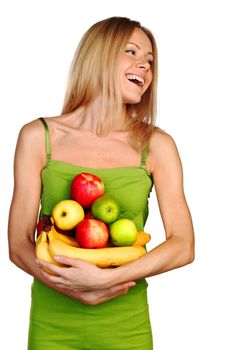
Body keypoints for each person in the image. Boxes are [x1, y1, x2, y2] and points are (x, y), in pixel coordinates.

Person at [8, 16, 195, 350]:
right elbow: (18, 244)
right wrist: (71, 287)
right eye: (132, 52)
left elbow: (183, 245)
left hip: (126, 326)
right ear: (99, 55)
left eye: (150, 61)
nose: (145, 67)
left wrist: (108, 279)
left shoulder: (157, 146)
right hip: (53, 325)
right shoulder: (39, 137)